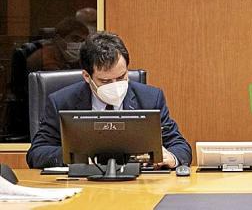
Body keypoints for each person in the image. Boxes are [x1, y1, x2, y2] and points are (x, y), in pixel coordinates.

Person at [27, 32, 191, 169]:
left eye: (121, 77)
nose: (115, 86)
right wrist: (76, 157)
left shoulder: (150, 98)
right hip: (84, 188)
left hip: (138, 186)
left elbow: (181, 147)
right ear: (87, 76)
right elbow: (37, 153)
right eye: (105, 81)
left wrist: (172, 158)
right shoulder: (61, 102)